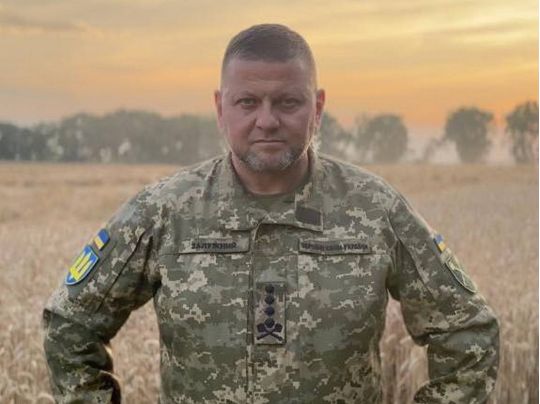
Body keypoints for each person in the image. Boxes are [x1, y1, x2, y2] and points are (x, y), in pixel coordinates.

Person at [43, 24, 499, 403]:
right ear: (220, 108)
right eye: (248, 102)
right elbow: (70, 324)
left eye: (287, 102)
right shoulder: (165, 210)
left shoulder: (374, 209)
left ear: (317, 107)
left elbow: (469, 332)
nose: (267, 120)